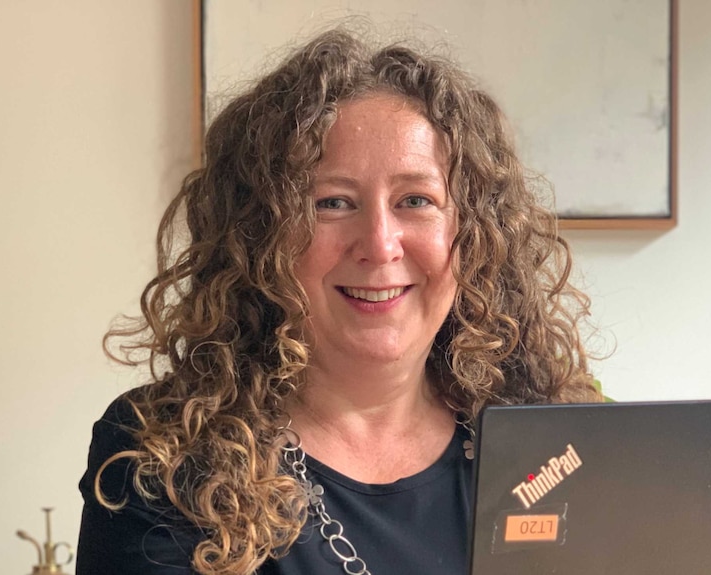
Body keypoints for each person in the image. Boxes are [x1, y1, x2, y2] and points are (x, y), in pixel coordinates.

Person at [76, 28, 601, 575]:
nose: (379, 244)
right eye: (332, 203)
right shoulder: (165, 455)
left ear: (475, 234)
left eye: (415, 200)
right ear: (259, 237)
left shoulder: (553, 445)